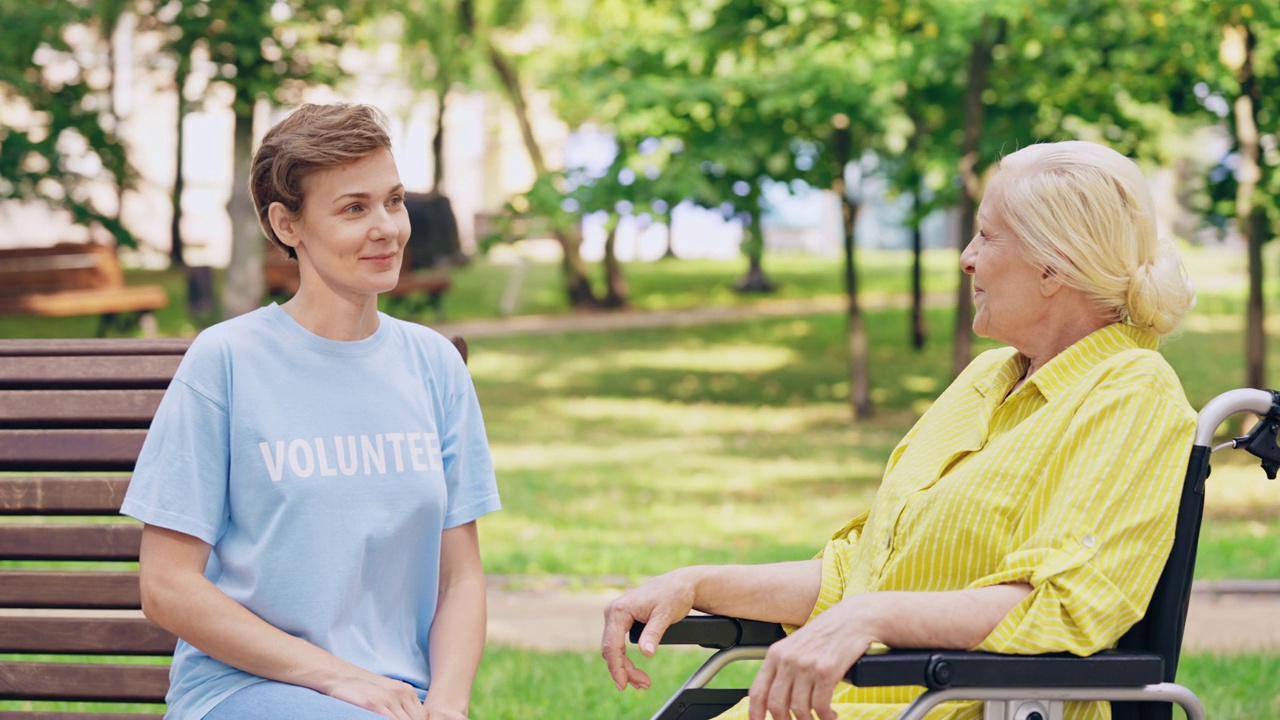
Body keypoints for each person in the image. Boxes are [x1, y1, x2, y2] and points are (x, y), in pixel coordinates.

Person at [601, 140, 1198, 720]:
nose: (966, 256)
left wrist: (872, 618)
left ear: (1051, 266)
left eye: (987, 236)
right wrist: (697, 583)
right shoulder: (988, 377)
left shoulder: (1133, 394)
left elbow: (1065, 607)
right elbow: (862, 572)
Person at [122, 103, 499, 720]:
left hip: (398, 701)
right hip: (242, 691)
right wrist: (336, 677)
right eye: (354, 208)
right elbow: (167, 587)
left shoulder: (434, 366)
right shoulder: (228, 361)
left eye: (394, 201)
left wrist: (451, 706)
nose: (386, 227)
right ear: (287, 225)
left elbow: (459, 580)